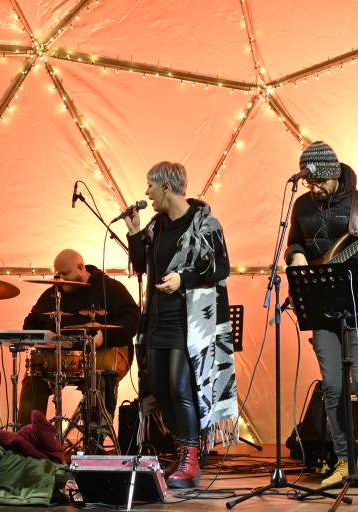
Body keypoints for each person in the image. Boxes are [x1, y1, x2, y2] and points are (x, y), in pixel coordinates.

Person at [285, 141, 358, 487]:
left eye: (319, 181)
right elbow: (295, 243)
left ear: (334, 173)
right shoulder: (302, 206)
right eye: (309, 183)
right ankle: (343, 461)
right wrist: (295, 255)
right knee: (333, 388)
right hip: (322, 304)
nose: (315, 189)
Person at [125, 161, 238, 489]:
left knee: (179, 386)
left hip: (189, 322)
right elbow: (141, 265)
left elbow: (221, 267)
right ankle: (184, 448)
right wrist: (134, 232)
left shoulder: (205, 223)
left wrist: (183, 279)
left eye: (150, 185)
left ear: (166, 187)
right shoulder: (156, 227)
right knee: (159, 388)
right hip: (158, 318)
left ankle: (190, 457)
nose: (146, 192)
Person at [17, 249, 139, 450]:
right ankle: (28, 442)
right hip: (66, 356)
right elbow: (31, 322)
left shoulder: (109, 288)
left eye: (65, 274)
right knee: (34, 377)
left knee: (100, 375)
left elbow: (133, 319)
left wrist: (103, 337)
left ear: (81, 267)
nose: (60, 279)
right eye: (57, 274)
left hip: (106, 350)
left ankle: (96, 442)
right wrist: (44, 339)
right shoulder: (54, 292)